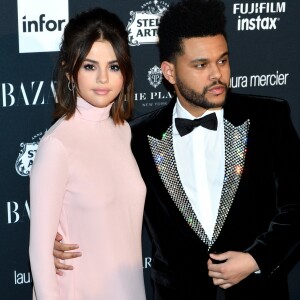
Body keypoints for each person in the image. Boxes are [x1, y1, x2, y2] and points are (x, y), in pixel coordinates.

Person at [52, 0, 300, 299]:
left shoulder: (268, 118)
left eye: (222, 61)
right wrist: (59, 241)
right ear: (169, 72)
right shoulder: (134, 138)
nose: (217, 75)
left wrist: (256, 258)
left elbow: (297, 205)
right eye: (201, 65)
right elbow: (102, 203)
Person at [29, 7, 146, 300]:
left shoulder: (123, 131)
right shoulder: (57, 145)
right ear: (71, 72)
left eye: (114, 66)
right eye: (91, 66)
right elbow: (40, 252)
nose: (103, 78)